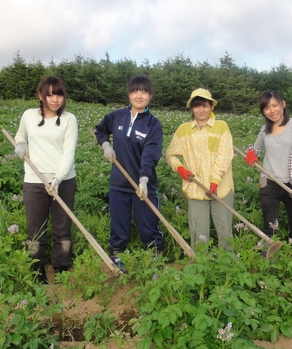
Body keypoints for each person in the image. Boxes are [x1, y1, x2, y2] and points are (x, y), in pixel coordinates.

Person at [94, 75, 164, 269]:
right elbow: (100, 130)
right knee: (119, 225)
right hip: (119, 183)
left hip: (144, 184)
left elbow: (150, 154)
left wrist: (143, 179)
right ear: (129, 94)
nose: (139, 95)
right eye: (135, 91)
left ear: (150, 96)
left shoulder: (153, 124)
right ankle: (117, 259)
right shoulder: (117, 116)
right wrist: (106, 145)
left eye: (144, 91)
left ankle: (155, 258)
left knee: (148, 224)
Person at [14, 76, 78, 283]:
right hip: (34, 180)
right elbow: (20, 135)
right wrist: (21, 145)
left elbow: (68, 153)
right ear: (40, 96)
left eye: (59, 94)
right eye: (49, 94)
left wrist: (58, 179)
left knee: (63, 227)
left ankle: (61, 265)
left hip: (64, 181)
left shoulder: (69, 119)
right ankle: (37, 267)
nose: (55, 99)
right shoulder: (28, 116)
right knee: (36, 227)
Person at [244, 90, 292, 261]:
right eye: (266, 108)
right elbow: (255, 148)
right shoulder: (265, 129)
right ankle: (269, 261)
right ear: (263, 111)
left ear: (283, 104)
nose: (272, 110)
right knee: (271, 225)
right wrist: (251, 153)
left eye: (274, 105)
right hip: (269, 182)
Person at [165, 88, 234, 250]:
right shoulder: (184, 129)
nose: (201, 110)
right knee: (199, 233)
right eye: (197, 106)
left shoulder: (221, 126)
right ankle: (201, 264)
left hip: (221, 188)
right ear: (191, 108)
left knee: (224, 231)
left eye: (205, 105)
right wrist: (180, 168)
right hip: (196, 188)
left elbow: (224, 157)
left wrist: (215, 181)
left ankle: (229, 266)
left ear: (211, 107)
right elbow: (170, 154)